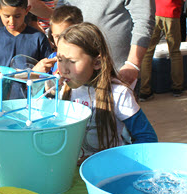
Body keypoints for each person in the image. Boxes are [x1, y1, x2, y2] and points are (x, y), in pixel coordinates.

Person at [56, 23, 157, 163]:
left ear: (97, 62)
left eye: (72, 62)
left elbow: (147, 138)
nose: (64, 69)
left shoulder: (118, 94)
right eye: (60, 60)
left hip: (108, 172)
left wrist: (121, 163)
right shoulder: (62, 90)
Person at [139, 0, 187, 100]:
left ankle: (145, 91)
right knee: (175, 52)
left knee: (148, 52)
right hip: (172, 14)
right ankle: (177, 88)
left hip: (153, 12)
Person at [34, 5, 83, 75]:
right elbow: (43, 84)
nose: (61, 41)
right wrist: (36, 73)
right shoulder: (52, 58)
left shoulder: (84, 60)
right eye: (57, 36)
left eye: (66, 35)